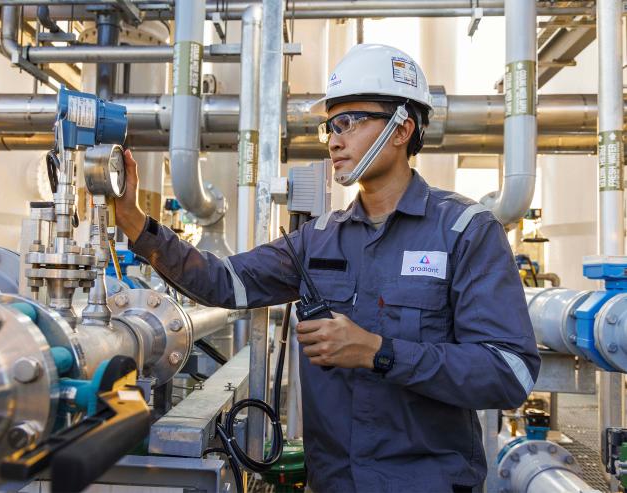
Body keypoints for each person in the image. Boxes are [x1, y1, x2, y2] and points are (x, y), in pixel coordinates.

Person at [115, 43, 540, 493]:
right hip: (333, 482)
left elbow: (509, 372)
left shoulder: (464, 231)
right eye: (329, 127)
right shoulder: (318, 239)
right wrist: (137, 226)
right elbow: (225, 282)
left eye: (349, 122)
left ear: (402, 129)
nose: (334, 140)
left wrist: (379, 352)